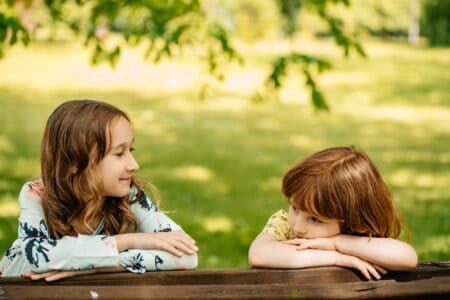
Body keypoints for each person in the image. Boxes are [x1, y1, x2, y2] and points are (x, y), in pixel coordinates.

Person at [0, 99, 198, 281]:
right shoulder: (37, 194)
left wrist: (94, 267)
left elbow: (187, 256)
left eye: (131, 150)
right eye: (119, 153)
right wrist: (129, 241)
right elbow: (39, 256)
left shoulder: (131, 196)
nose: (134, 164)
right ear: (74, 163)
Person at [248, 146, 417, 280]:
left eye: (315, 219)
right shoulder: (283, 223)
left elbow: (406, 257)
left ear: (351, 220)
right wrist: (336, 258)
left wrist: (337, 242)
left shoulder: (357, 235)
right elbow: (259, 254)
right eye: (295, 208)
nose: (298, 227)